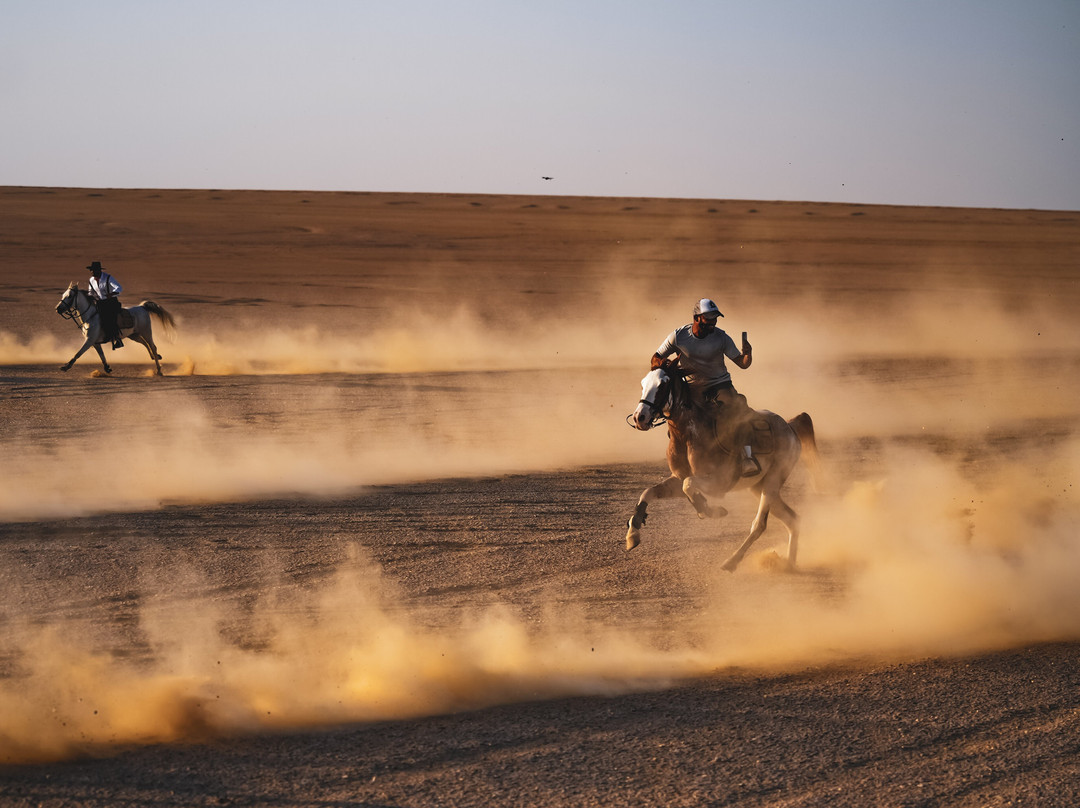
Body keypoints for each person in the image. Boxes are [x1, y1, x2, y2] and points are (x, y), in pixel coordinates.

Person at [651, 297, 758, 477]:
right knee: (675, 416)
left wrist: (748, 355)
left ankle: (747, 457)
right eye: (708, 319)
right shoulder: (679, 336)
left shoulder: (721, 337)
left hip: (719, 385)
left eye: (715, 318)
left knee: (739, 411)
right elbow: (655, 357)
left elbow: (742, 363)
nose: (712, 323)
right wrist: (664, 363)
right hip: (691, 388)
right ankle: (679, 454)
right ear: (696, 318)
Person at [87, 261, 124, 349]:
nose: (92, 272)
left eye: (94, 270)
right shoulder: (91, 280)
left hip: (111, 302)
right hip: (100, 303)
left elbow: (119, 288)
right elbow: (90, 292)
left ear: (99, 270)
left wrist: (111, 294)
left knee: (109, 318)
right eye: (91, 270)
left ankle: (117, 339)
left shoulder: (108, 278)